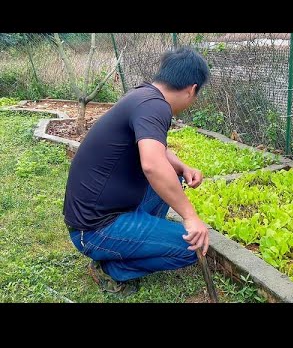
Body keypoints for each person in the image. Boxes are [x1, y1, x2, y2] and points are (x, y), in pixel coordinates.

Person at [63, 46, 211, 295]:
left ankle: (138, 240)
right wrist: (190, 216)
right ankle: (114, 269)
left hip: (101, 214)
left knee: (173, 175)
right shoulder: (156, 107)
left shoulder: (143, 96)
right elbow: (152, 165)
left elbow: (158, 151)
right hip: (94, 228)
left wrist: (183, 167)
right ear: (192, 89)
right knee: (192, 247)